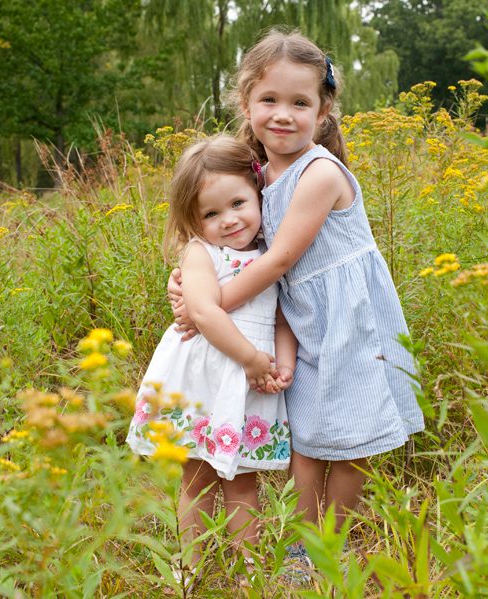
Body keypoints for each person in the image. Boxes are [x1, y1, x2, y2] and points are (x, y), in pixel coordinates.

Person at [167, 30, 425, 577]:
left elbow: (278, 259)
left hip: (349, 321)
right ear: (246, 104)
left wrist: (203, 304)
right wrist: (188, 282)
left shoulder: (320, 172)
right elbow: (232, 242)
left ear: (324, 110)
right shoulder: (256, 172)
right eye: (269, 101)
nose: (283, 115)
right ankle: (301, 550)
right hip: (302, 320)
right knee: (306, 438)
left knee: (348, 440)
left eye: (300, 103)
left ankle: (327, 544)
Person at [127, 135, 297, 587]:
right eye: (210, 213)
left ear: (258, 192)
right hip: (208, 374)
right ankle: (190, 569)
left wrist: (281, 362)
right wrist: (250, 359)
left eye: (238, 203)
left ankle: (249, 572)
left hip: (250, 376)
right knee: (196, 479)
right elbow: (202, 311)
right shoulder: (201, 252)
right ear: (193, 220)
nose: (229, 220)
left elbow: (283, 315)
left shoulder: (271, 251)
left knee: (243, 482)